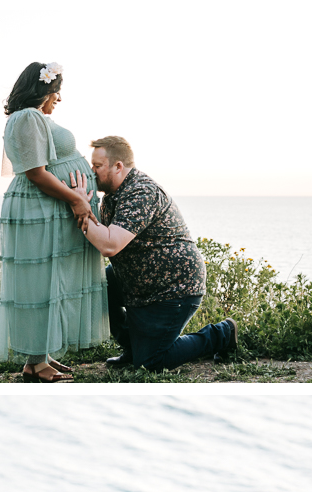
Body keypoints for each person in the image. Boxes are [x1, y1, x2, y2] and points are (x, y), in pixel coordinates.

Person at [70, 136, 238, 373]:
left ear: (118, 166)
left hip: (173, 287)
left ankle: (222, 334)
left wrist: (82, 211)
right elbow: (99, 231)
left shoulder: (142, 192)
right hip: (138, 283)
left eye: (97, 166)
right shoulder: (111, 195)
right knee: (98, 285)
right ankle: (132, 347)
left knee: (151, 363)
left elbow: (109, 245)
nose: (91, 172)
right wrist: (81, 202)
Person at [0, 62, 110, 382]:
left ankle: (39, 358)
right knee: (41, 283)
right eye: (55, 90)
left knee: (51, 281)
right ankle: (36, 361)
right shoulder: (28, 117)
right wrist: (76, 199)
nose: (58, 97)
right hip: (40, 210)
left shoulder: (28, 118)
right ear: (42, 88)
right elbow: (35, 172)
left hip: (48, 209)